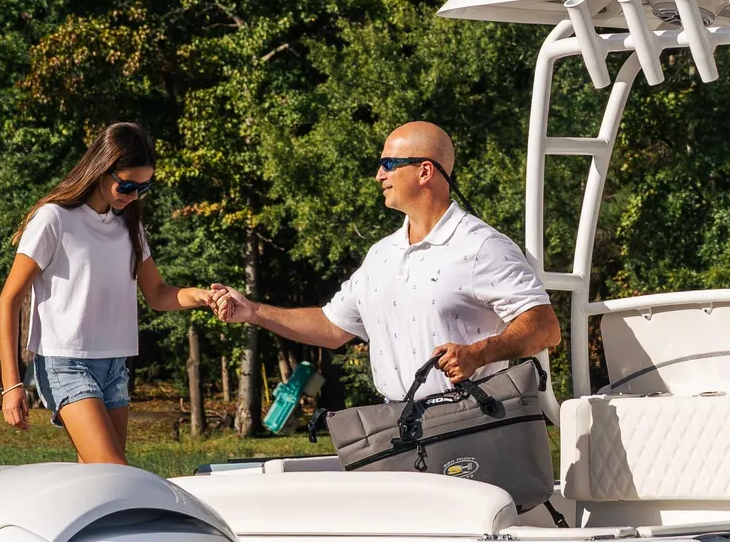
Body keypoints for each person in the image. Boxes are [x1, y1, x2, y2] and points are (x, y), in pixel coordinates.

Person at [198, 120, 558, 403]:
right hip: (398, 425)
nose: (379, 175)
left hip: (469, 423)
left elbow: (545, 328)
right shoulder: (381, 254)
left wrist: (480, 353)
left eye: (388, 163)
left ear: (425, 172)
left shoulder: (482, 246)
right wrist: (253, 311)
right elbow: (332, 327)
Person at [0, 122, 197, 466]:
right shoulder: (54, 218)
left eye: (143, 187)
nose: (133, 195)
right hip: (66, 363)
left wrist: (204, 297)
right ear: (102, 169)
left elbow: (159, 294)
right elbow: (9, 301)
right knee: (115, 473)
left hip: (115, 366)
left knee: (99, 481)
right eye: (128, 184)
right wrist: (11, 385)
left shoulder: (128, 227)